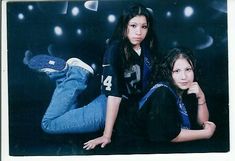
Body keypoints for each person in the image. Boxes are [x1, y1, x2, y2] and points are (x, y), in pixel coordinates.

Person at [25, 3, 158, 150]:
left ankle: (63, 76)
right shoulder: (115, 48)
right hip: (107, 106)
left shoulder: (148, 48)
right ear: (125, 25)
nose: (138, 32)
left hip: (128, 107)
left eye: (143, 27)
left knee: (66, 112)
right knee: (48, 124)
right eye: (133, 26)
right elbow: (114, 95)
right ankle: (75, 75)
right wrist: (107, 135)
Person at [112, 47, 216, 145]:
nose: (184, 77)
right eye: (177, 71)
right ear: (168, 72)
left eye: (188, 69)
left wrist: (201, 97)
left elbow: (203, 123)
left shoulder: (187, 89)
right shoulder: (163, 92)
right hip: (130, 142)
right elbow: (169, 135)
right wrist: (205, 134)